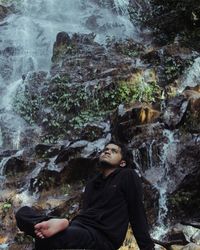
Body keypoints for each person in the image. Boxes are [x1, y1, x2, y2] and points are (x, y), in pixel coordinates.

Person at [15, 142, 154, 250]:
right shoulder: (92, 183)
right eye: (106, 149)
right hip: (78, 226)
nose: (107, 151)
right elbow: (86, 213)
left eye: (114, 151)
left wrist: (147, 248)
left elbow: (137, 212)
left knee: (48, 238)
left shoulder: (127, 175)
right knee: (22, 213)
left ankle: (56, 224)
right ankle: (55, 222)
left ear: (122, 162)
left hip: (102, 236)